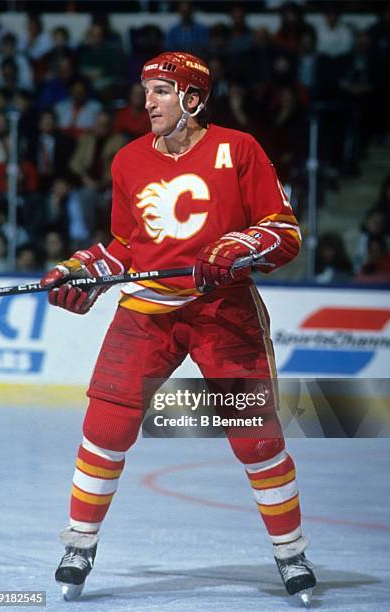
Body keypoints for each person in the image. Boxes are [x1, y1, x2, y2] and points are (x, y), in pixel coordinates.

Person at [41, 51, 316, 605]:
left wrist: (241, 244)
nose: (148, 102)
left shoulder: (238, 149)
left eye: (162, 91)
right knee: (105, 427)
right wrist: (83, 270)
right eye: (147, 90)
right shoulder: (127, 161)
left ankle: (291, 552)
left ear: (192, 99)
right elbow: (127, 247)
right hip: (148, 311)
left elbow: (283, 231)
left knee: (256, 438)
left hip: (224, 309)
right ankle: (79, 543)